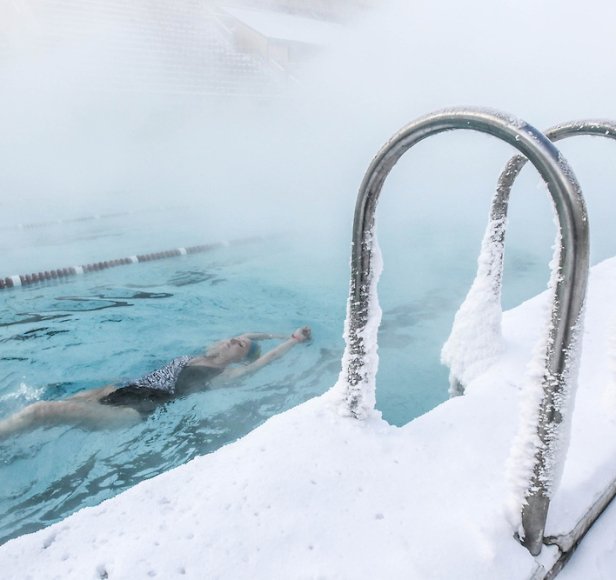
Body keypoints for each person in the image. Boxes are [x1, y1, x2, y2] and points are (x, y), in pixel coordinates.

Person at [0, 326, 311, 440]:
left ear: (240, 358)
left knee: (40, 412)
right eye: (234, 338)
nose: (234, 340)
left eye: (240, 345)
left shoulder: (226, 374)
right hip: (116, 390)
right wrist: (273, 333)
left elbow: (262, 361)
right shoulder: (197, 356)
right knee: (38, 413)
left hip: (133, 412)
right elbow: (250, 333)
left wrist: (292, 341)